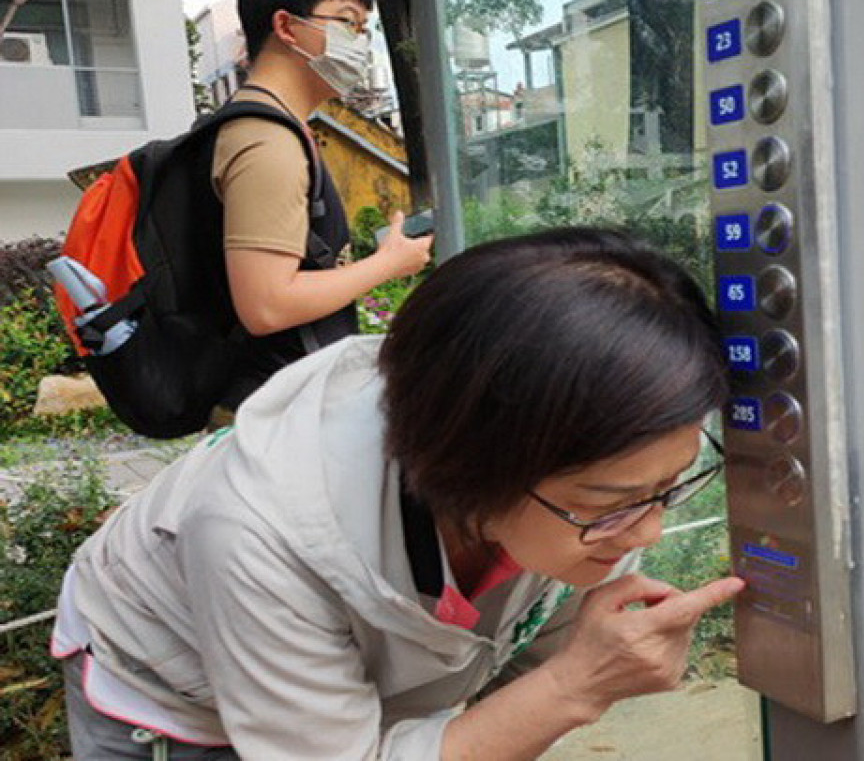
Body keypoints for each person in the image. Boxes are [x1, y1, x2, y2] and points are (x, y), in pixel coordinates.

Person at [53, 227, 745, 760]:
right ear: (475, 463)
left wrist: (568, 674)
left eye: (667, 488)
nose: (648, 533)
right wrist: (577, 684)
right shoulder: (258, 532)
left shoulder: (565, 481)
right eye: (612, 501)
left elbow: (514, 700)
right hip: (167, 684)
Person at [213, 0, 432, 413]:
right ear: (287, 26)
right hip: (272, 415)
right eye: (348, 22)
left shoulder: (266, 126)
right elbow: (266, 304)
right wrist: (388, 264)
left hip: (278, 403)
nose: (360, 41)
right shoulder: (266, 141)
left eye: (365, 28)